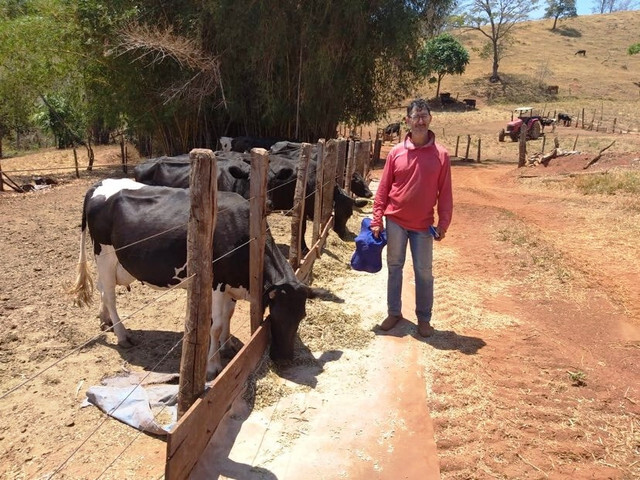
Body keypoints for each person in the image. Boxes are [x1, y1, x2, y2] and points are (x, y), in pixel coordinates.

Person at [370, 98, 453, 337]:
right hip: (395, 220)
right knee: (395, 267)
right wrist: (377, 219)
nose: (420, 120)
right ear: (407, 121)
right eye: (415, 116)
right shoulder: (396, 153)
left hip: (424, 224)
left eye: (424, 116)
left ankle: (424, 318)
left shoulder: (441, 155)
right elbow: (384, 189)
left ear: (430, 119)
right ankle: (394, 312)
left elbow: (445, 193)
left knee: (424, 271)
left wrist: (444, 223)